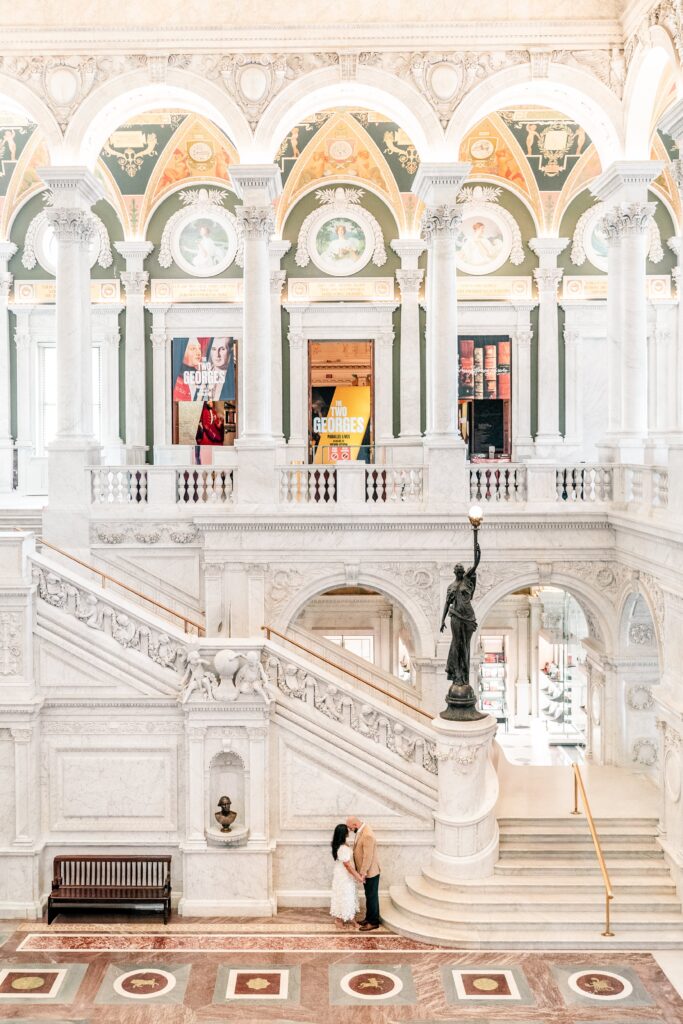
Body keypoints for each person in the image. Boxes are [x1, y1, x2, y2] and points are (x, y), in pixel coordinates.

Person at [440, 538, 482, 684]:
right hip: (456, 617)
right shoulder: (451, 587)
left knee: (466, 645)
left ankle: (464, 674)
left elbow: (476, 565)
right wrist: (442, 621)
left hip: (469, 616)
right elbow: (446, 604)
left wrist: (478, 552)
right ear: (454, 572)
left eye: (461, 571)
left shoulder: (467, 579)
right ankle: (457, 673)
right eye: (457, 571)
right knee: (457, 643)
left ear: (463, 572)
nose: (459, 572)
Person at [346, 815, 380, 931]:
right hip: (366, 871)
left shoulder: (367, 834)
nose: (350, 830)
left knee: (372, 897)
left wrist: (363, 872)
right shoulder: (362, 830)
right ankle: (368, 918)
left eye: (350, 828)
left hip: (370, 872)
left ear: (355, 825)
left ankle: (373, 922)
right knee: (369, 896)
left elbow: (367, 856)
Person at [329, 823, 363, 927]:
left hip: (341, 873)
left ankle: (345, 919)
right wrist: (358, 876)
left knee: (345, 895)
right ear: (344, 833)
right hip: (344, 875)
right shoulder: (343, 848)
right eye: (347, 830)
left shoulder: (340, 844)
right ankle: (343, 919)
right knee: (345, 895)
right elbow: (347, 865)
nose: (349, 831)